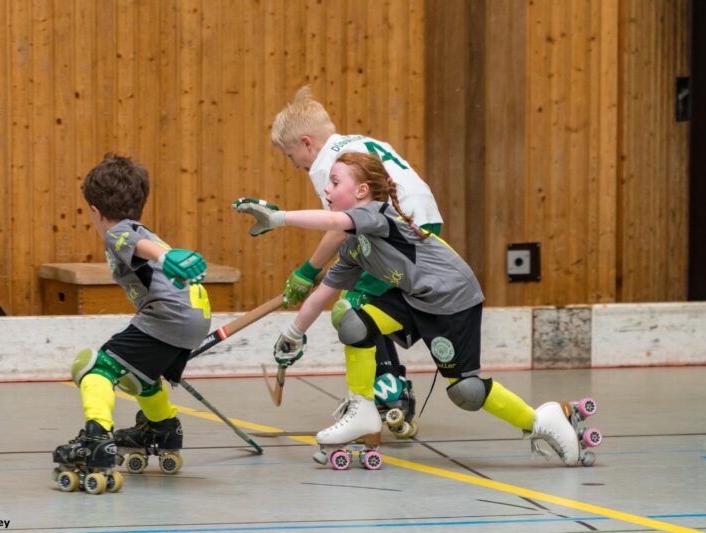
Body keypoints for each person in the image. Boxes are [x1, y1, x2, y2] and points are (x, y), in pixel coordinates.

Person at [233, 152, 586, 466]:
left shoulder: (377, 215)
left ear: (361, 192)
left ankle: (540, 421)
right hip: (412, 297)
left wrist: (278, 219)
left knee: (466, 392)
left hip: (452, 300)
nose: (327, 188)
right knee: (353, 322)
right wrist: (293, 334)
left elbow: (333, 223)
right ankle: (362, 410)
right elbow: (321, 294)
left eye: (335, 182)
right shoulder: (353, 248)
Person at [271, 86, 444, 437]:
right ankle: (388, 387)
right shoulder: (361, 142)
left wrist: (307, 271)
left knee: (353, 311)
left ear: (307, 143)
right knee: (364, 304)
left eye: (291, 156)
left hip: (398, 232)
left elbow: (340, 228)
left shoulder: (329, 166)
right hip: (424, 221)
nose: (295, 165)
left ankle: (386, 393)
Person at [52, 154, 212, 494]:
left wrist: (163, 256)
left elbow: (137, 246)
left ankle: (96, 438)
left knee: (94, 368)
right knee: (139, 376)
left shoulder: (118, 232)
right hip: (191, 319)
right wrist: (163, 254)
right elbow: (144, 248)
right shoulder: (143, 229)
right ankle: (162, 428)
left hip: (168, 317)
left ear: (95, 211)